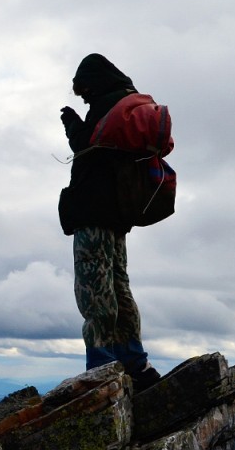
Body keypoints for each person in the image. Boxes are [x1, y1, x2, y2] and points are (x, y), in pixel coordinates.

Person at [58, 53, 162, 390]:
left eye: (83, 90)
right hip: (118, 216)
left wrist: (73, 125)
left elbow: (87, 149)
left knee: (94, 286)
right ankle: (136, 363)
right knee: (119, 285)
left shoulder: (106, 107)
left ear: (92, 82)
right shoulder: (128, 105)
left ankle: (102, 370)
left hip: (93, 213)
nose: (83, 97)